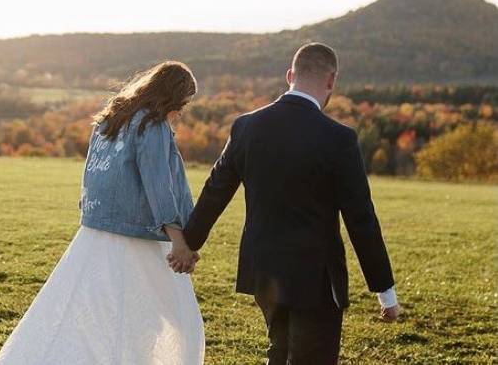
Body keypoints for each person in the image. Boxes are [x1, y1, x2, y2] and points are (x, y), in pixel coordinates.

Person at [171, 42, 400, 365]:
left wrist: (188, 242)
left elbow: (215, 191)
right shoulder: (339, 138)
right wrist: (384, 291)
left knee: (279, 354)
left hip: (263, 272)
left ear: (290, 75)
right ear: (331, 81)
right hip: (316, 279)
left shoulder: (246, 126)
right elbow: (361, 218)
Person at [0, 60, 205, 365]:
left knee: (95, 312)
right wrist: (178, 240)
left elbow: (91, 174)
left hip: (96, 232)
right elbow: (159, 184)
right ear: (172, 96)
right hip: (136, 235)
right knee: (169, 316)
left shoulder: (110, 119)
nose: (182, 111)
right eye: (183, 103)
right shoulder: (152, 125)